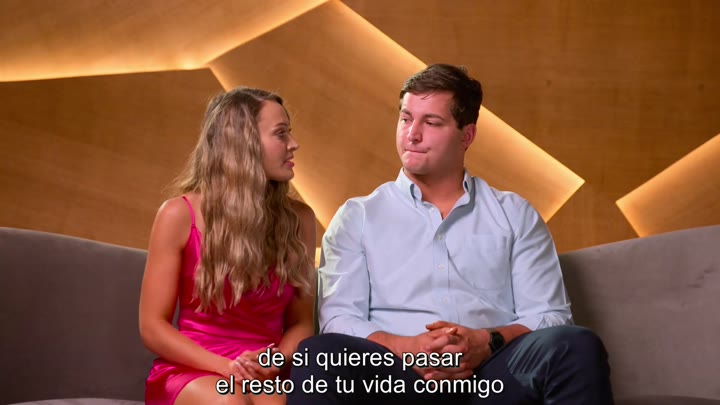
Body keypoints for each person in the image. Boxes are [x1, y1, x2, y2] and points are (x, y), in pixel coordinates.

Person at [288, 64, 613, 404]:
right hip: (395, 378)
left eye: (431, 123)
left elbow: (551, 315)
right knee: (318, 354)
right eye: (405, 118)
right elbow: (339, 318)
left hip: (491, 377)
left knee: (576, 345)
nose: (412, 134)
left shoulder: (515, 214)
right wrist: (407, 348)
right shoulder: (358, 216)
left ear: (466, 135)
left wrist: (486, 342)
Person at [139, 87, 317, 405]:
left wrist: (273, 361)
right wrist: (227, 368)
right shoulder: (178, 214)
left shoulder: (300, 219)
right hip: (194, 368)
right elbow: (152, 326)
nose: (293, 144)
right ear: (242, 143)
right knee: (230, 400)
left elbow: (302, 322)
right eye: (281, 133)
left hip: (264, 371)